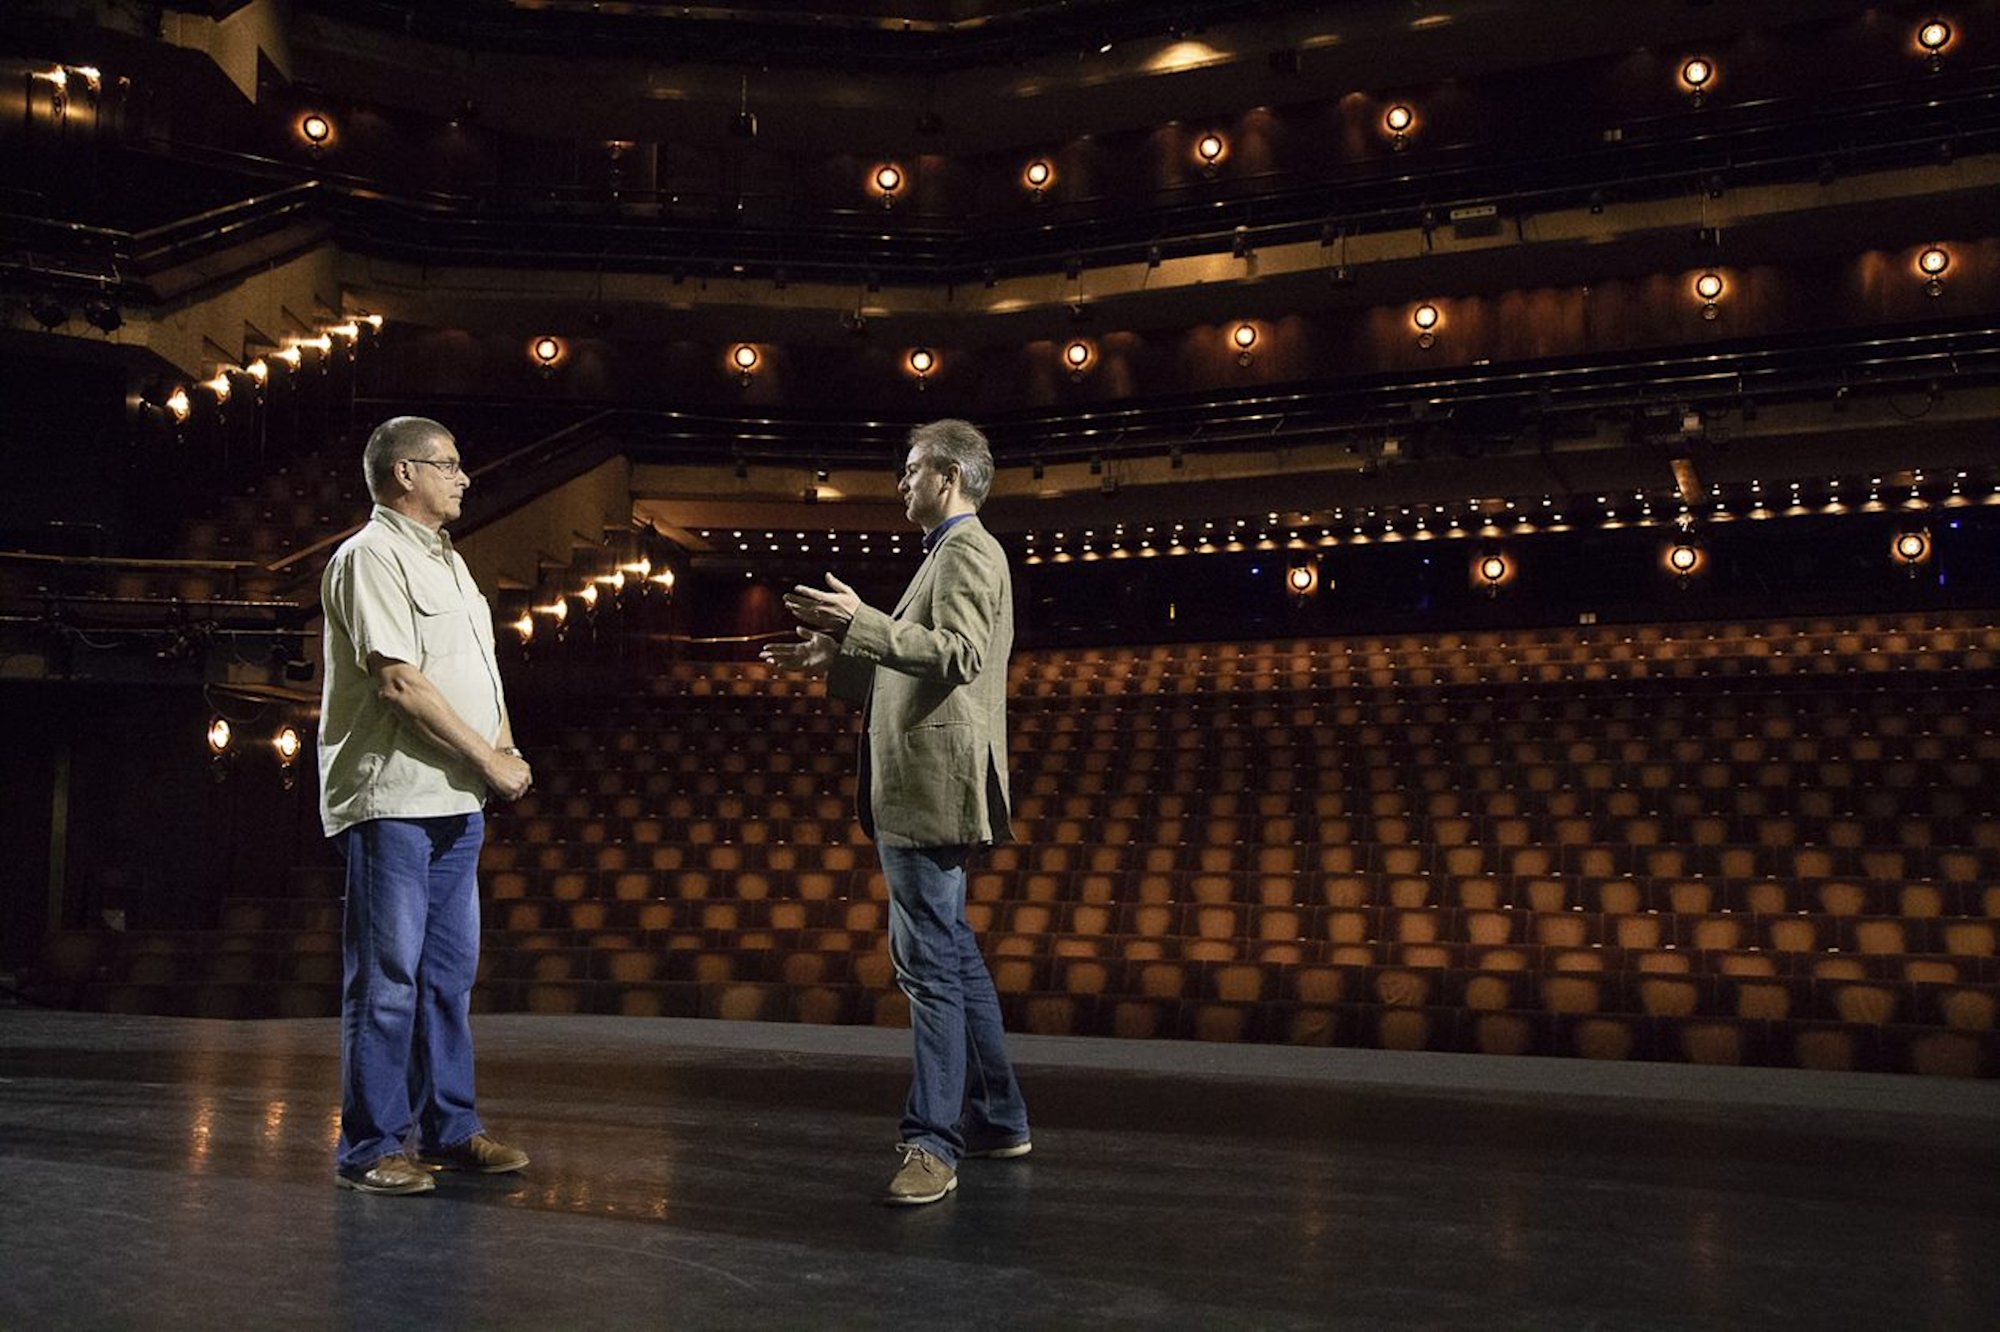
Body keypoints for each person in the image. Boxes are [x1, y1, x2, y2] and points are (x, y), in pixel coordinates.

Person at [763, 418, 1032, 1206]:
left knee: (928, 971)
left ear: (946, 476)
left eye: (912, 470)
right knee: (952, 954)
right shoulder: (950, 555)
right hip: (928, 785)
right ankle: (999, 1115)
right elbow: (921, 656)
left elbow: (958, 654)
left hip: (930, 788)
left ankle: (933, 1143)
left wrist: (862, 625)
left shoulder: (969, 552)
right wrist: (839, 653)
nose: (902, 484)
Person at [318, 415, 534, 1195]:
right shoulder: (370, 556)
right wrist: (490, 760)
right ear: (404, 473)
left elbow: (481, 672)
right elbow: (399, 682)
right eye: (447, 464)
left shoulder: (450, 561)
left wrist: (501, 753)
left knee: (446, 978)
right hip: (394, 798)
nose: (464, 477)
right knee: (388, 981)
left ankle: (449, 1128)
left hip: (455, 800)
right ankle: (372, 1147)